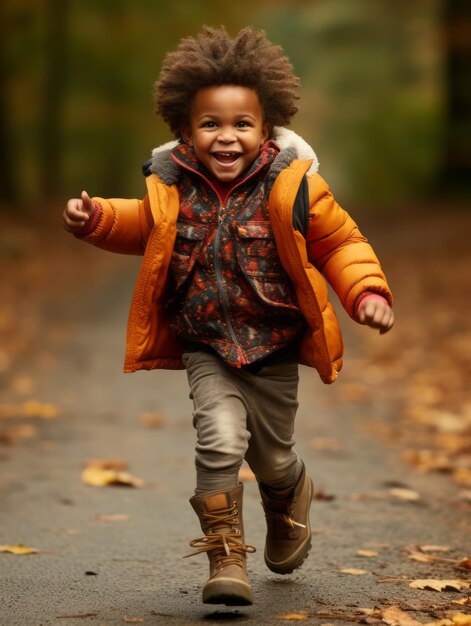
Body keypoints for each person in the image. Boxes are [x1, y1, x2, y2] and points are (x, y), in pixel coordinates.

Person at [63, 26, 394, 607]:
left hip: (275, 347)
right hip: (206, 345)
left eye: (242, 124)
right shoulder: (172, 188)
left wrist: (366, 291)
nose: (226, 136)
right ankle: (225, 559)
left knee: (270, 455)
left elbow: (340, 244)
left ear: (266, 130)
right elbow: (141, 225)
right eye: (210, 124)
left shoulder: (293, 188)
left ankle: (288, 491)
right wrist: (95, 219)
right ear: (185, 132)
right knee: (217, 440)